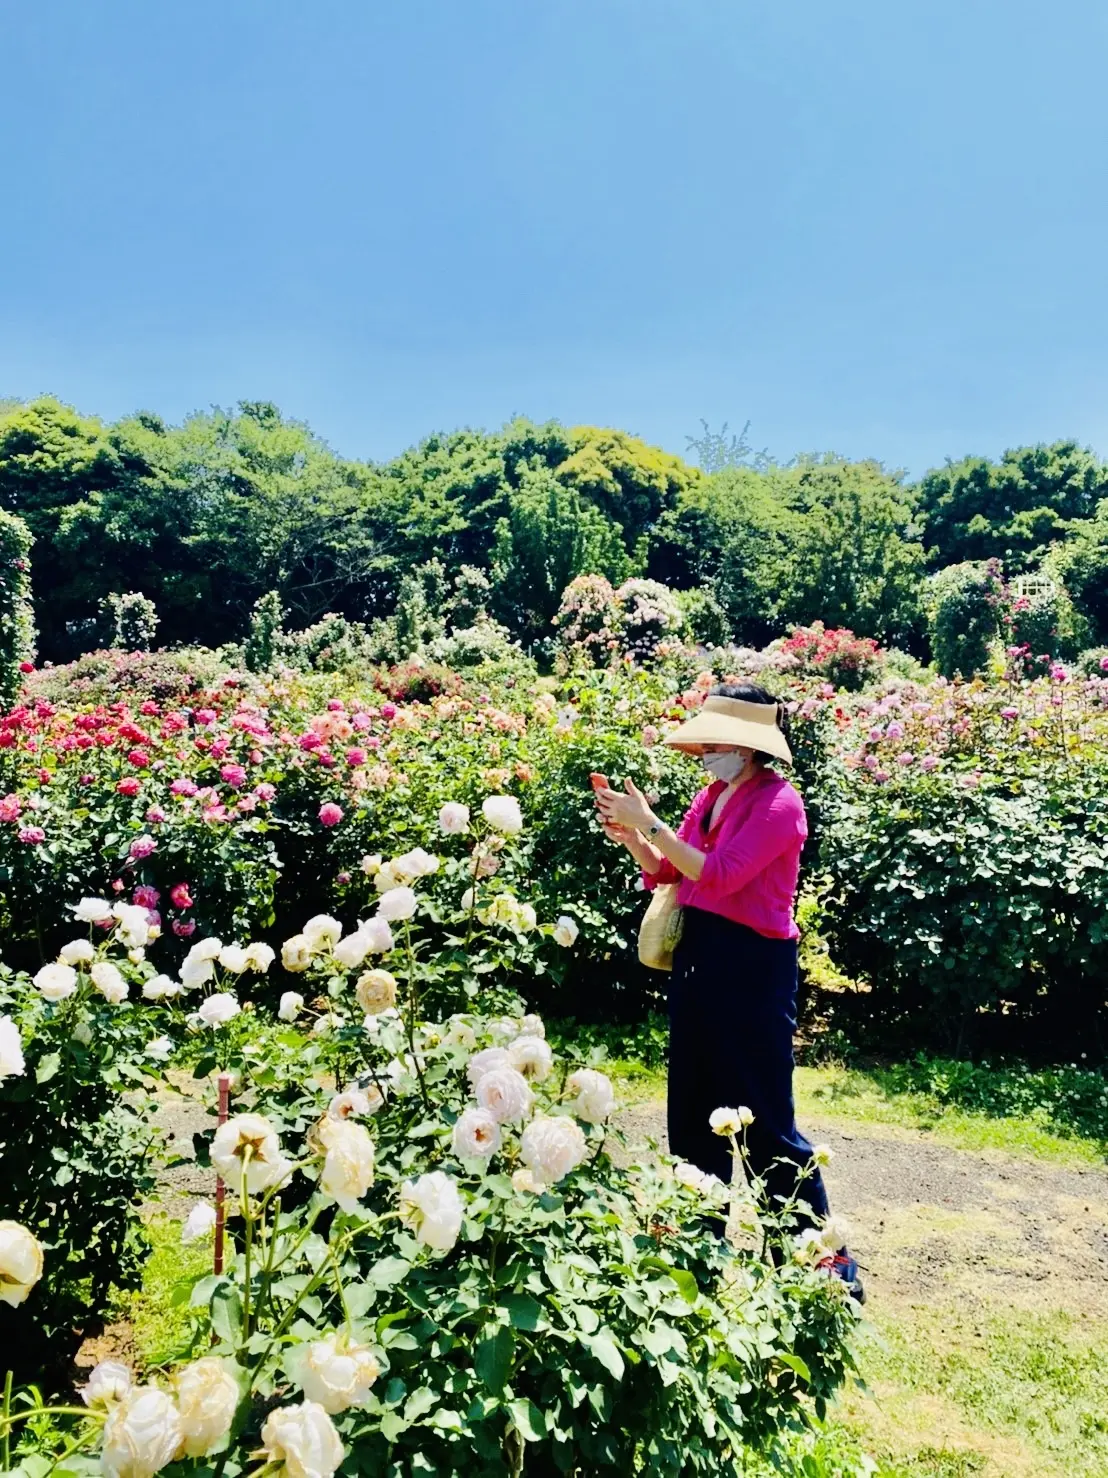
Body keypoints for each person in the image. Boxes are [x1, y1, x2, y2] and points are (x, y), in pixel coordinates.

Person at [595, 682, 863, 1300]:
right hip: (700, 958)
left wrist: (652, 824)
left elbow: (720, 874)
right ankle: (697, 1256)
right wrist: (634, 835)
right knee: (691, 1113)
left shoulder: (778, 804)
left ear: (745, 746)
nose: (704, 750)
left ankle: (821, 1269)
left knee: (766, 1121)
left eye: (714, 740)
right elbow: (671, 868)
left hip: (752, 967)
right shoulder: (714, 795)